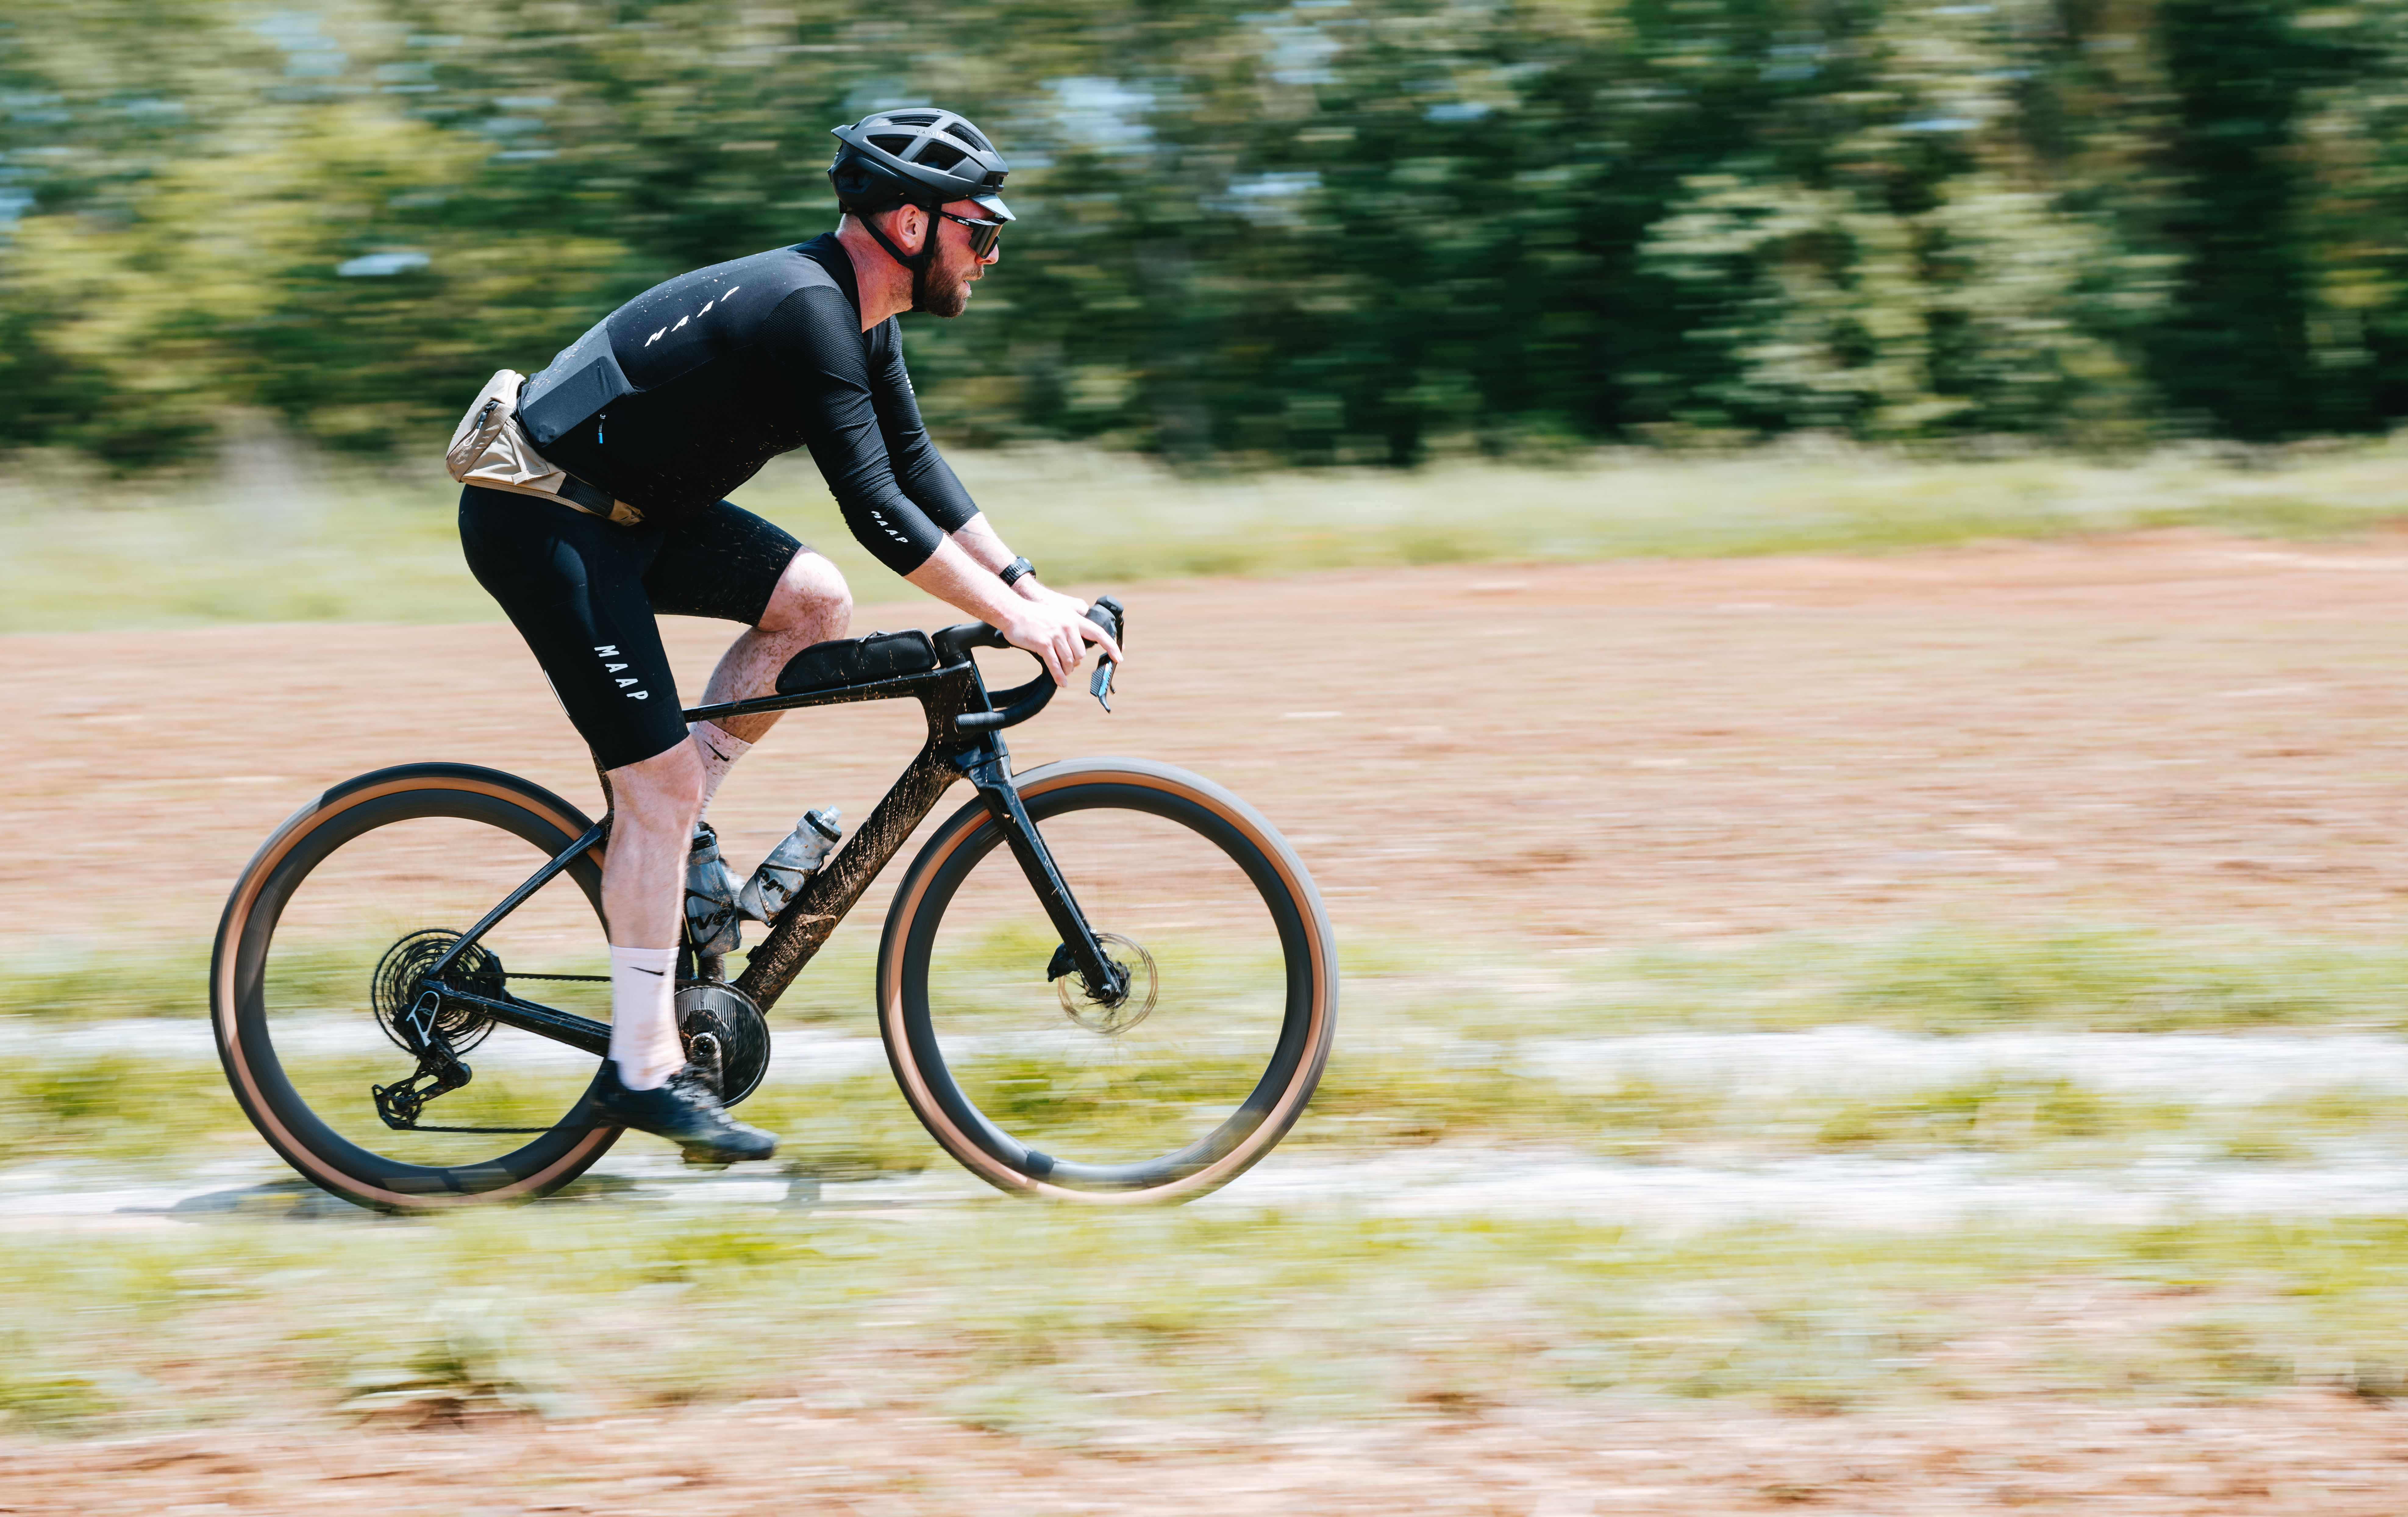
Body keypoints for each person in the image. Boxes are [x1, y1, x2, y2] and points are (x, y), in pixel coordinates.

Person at [453, 107, 1122, 1164]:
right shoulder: (808, 309)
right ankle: (642, 1066)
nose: (991, 255)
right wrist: (1010, 619)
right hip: (544, 520)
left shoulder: (863, 312)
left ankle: (672, 845)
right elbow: (875, 510)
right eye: (980, 231)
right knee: (658, 783)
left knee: (813, 603)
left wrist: (1031, 587)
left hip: (633, 511)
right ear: (909, 222)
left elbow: (916, 466)